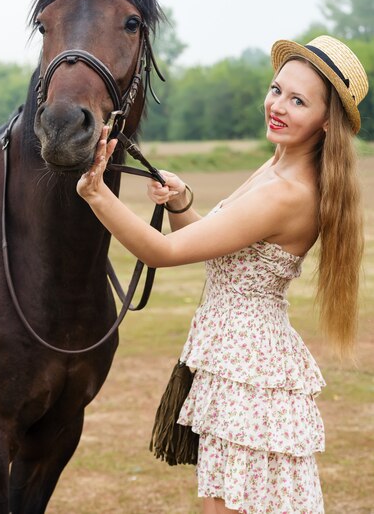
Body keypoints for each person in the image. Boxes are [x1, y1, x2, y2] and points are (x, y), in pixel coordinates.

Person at [76, 35, 368, 513]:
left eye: (298, 101)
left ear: (326, 123)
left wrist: (97, 195)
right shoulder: (276, 169)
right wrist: (182, 203)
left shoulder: (288, 193)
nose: (278, 106)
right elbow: (222, 254)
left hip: (247, 373)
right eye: (277, 90)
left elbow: (163, 254)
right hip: (236, 363)